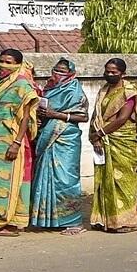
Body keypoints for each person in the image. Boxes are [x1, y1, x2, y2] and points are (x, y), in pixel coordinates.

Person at [0, 49, 38, 236]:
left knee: (11, 180)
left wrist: (17, 142)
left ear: (18, 64)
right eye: (2, 61)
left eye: (9, 62)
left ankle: (11, 224)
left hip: (11, 139)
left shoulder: (22, 85)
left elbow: (25, 118)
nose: (4, 65)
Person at [30, 58, 88, 235]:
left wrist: (55, 114)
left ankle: (73, 221)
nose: (58, 74)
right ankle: (47, 219)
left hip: (66, 138)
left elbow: (83, 117)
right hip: (46, 136)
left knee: (65, 179)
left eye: (63, 71)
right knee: (44, 177)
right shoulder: (48, 88)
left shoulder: (75, 91)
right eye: (56, 70)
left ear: (71, 73)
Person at [89, 58, 137, 233]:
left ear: (123, 73)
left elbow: (122, 118)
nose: (109, 75)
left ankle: (125, 221)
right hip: (102, 139)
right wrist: (94, 136)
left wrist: (101, 133)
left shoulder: (129, 91)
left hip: (122, 140)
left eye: (114, 72)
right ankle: (104, 219)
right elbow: (96, 115)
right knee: (104, 179)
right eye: (107, 71)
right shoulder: (103, 90)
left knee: (123, 180)